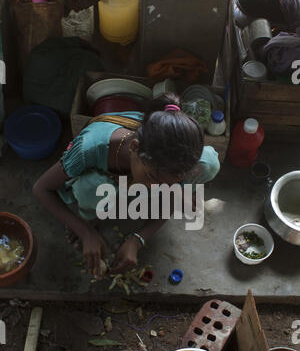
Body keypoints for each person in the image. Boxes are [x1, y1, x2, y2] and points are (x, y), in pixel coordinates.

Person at [33, 93, 220, 279]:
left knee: (209, 162)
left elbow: (167, 187)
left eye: (168, 184)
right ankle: (91, 218)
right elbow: (41, 188)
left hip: (143, 173)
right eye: (151, 177)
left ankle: (179, 188)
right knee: (90, 188)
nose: (156, 188)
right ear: (134, 147)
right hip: (105, 179)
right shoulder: (89, 148)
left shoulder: (171, 162)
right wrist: (84, 231)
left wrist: (137, 240)